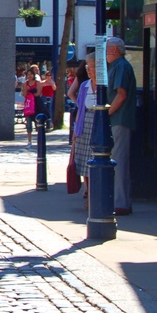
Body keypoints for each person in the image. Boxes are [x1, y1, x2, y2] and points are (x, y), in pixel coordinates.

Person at [107, 37, 137, 216]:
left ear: (115, 50)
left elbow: (121, 94)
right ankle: (118, 201)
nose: (105, 53)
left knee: (118, 162)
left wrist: (107, 112)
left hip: (119, 120)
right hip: (116, 120)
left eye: (107, 49)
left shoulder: (121, 67)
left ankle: (121, 203)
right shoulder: (117, 66)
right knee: (116, 161)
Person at [72, 54, 97, 204]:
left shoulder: (103, 85)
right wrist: (76, 130)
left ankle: (94, 193)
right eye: (87, 67)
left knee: (96, 158)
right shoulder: (84, 86)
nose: (88, 70)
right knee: (84, 160)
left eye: (91, 67)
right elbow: (80, 108)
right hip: (85, 122)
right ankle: (87, 190)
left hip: (97, 122)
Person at [22, 69, 40, 148]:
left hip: (37, 104)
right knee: (28, 123)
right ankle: (29, 141)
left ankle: (40, 139)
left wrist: (32, 92)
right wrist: (26, 89)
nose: (29, 76)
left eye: (31, 74)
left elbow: (38, 93)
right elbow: (24, 94)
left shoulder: (38, 83)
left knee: (39, 122)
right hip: (29, 104)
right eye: (28, 74)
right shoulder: (25, 83)